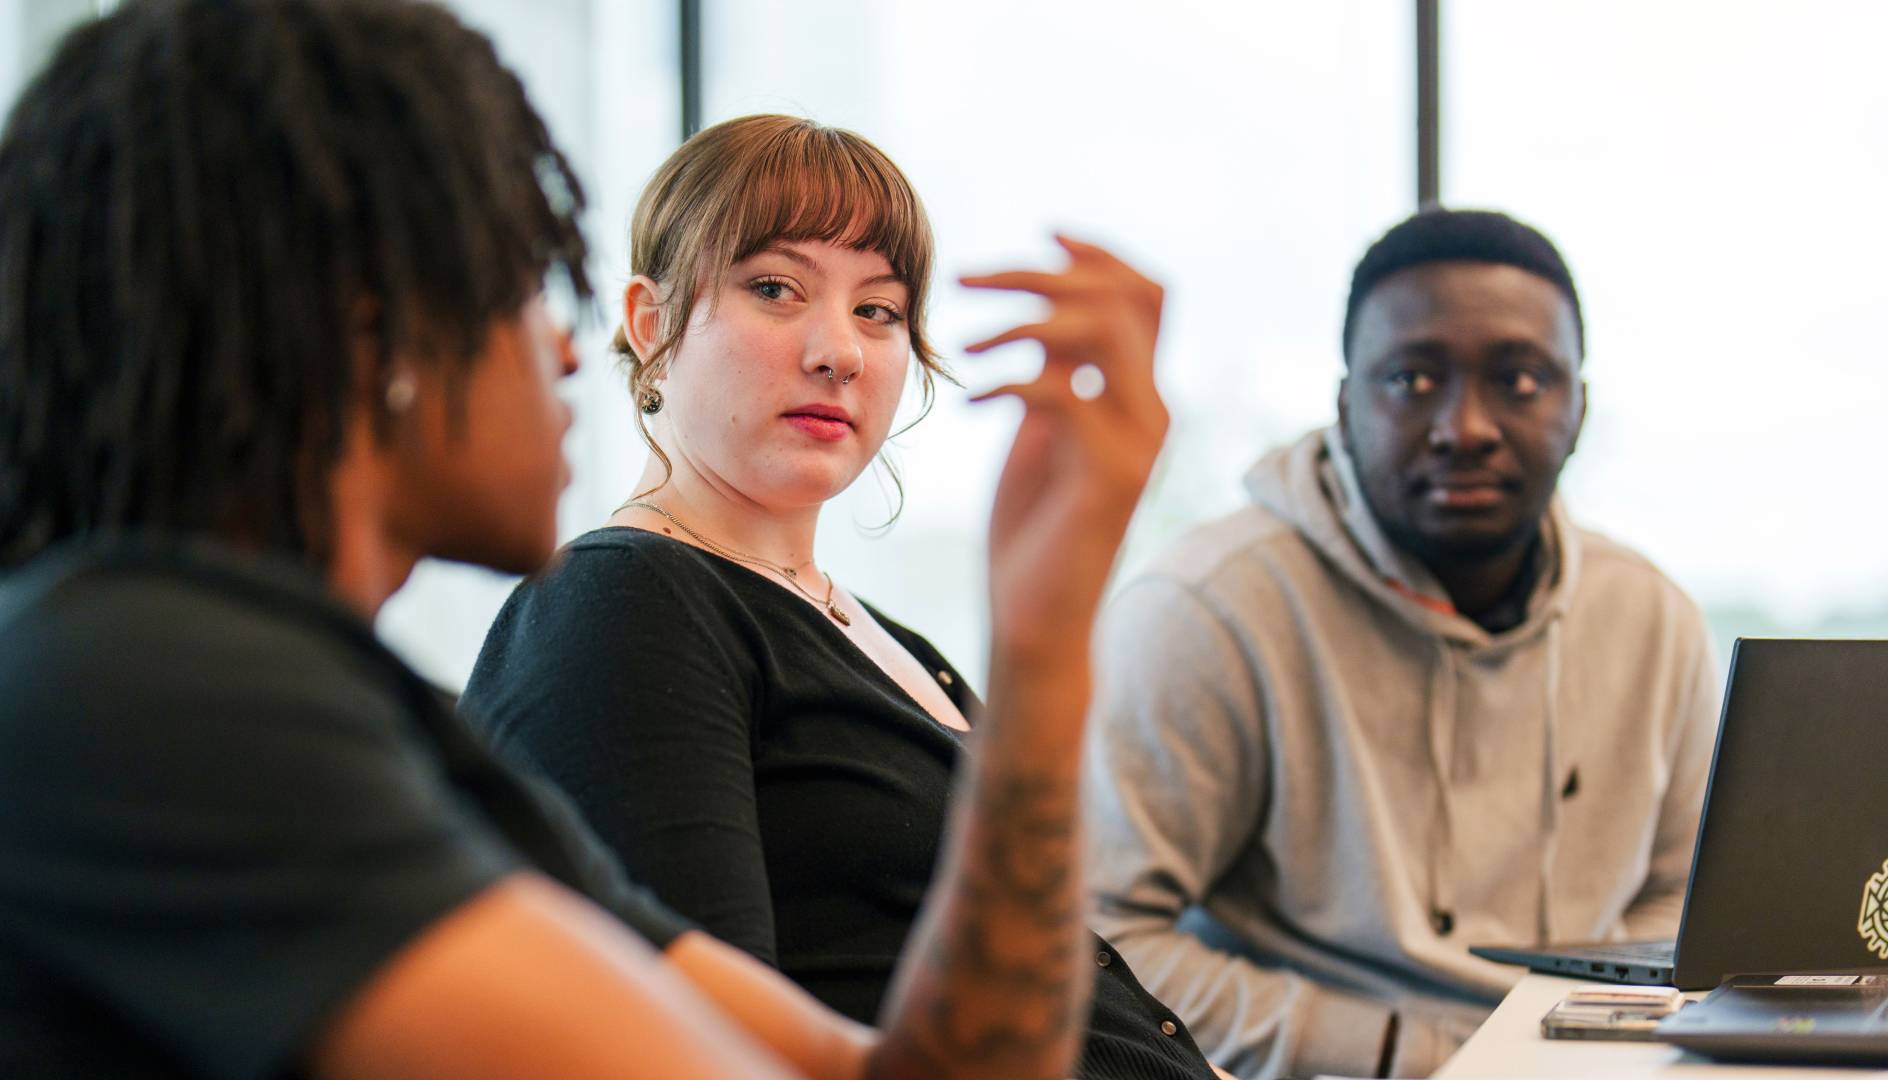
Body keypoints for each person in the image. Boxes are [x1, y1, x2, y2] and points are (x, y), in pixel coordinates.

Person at [0, 3, 1167, 1078]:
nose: (567, 352)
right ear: (376, 330)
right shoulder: (140, 686)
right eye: (524, 280)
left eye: (878, 310)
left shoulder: (352, 717)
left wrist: (1044, 637)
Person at [460, 114, 1218, 1080]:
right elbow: (698, 1046)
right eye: (775, 289)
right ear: (650, 324)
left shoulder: (881, 636)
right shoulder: (625, 601)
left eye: (880, 311)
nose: (839, 352)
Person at [1081, 209, 1722, 1079]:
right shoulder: (1206, 608)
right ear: (1346, 406)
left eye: (1521, 380)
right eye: (1414, 380)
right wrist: (1402, 1051)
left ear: (1579, 409)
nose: (1465, 427)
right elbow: (1096, 936)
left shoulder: (1653, 618)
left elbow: (1684, 902)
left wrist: (1573, 1044)